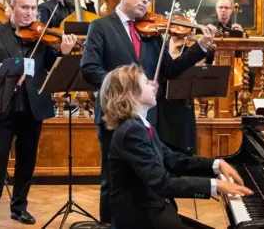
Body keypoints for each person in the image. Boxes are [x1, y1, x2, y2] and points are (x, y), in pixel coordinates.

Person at [80, 0, 217, 226]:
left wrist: (201, 47)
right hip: (115, 115)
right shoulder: (101, 26)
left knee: (148, 177)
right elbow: (89, 68)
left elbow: (171, 70)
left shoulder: (153, 33)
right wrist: (127, 87)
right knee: (113, 180)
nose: (146, 1)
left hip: (145, 116)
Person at [101, 64, 253, 229]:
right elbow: (163, 183)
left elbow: (174, 160)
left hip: (156, 211)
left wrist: (216, 164)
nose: (153, 85)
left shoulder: (141, 125)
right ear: (130, 94)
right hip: (142, 220)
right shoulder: (131, 131)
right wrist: (216, 185)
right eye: (146, 83)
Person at [0, 0, 77, 229]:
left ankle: (19, 208)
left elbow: (52, 64)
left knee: (26, 162)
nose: (30, 13)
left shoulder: (41, 36)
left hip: (33, 107)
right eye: (24, 8)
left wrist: (65, 52)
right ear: (12, 8)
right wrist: (9, 69)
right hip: (2, 106)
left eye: (33, 9)